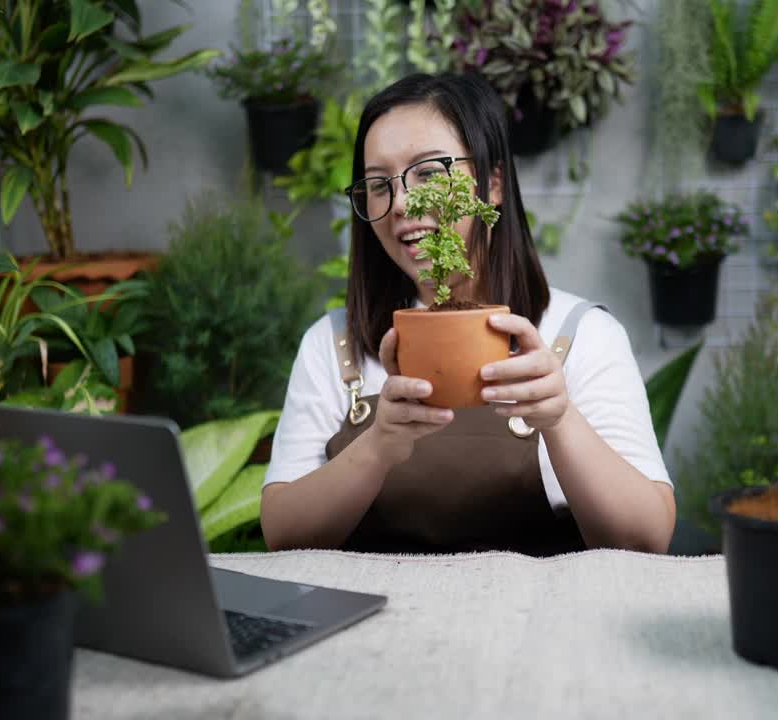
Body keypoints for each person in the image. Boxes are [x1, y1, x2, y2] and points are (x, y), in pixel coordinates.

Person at [260, 72, 674, 555]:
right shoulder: (335, 344)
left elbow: (648, 539)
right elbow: (283, 535)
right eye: (377, 184)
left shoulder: (579, 335)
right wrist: (379, 446)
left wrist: (559, 419)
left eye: (430, 173)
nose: (402, 203)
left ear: (492, 185)